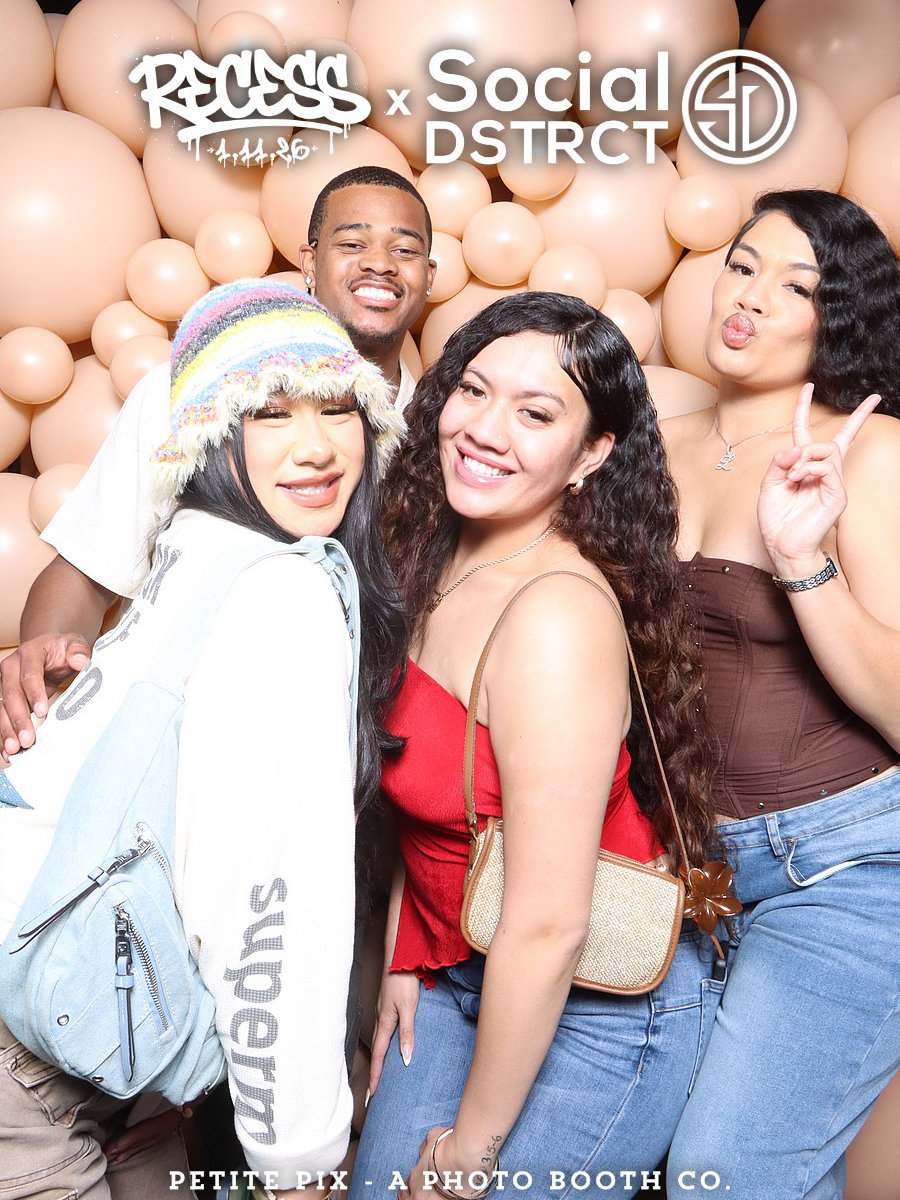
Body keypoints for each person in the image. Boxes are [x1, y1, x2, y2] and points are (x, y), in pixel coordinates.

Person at [0, 280, 408, 1199]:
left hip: (63, 1027)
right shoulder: (282, 592)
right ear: (213, 436)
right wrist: (299, 1164)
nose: (316, 446)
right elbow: (267, 906)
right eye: (270, 413)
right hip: (30, 1060)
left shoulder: (201, 546)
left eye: (337, 408)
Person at [349, 292, 725, 1199]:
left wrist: (470, 1152)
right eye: (474, 391)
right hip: (457, 961)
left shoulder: (556, 616)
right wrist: (405, 952)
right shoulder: (431, 552)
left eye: (537, 414)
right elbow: (425, 801)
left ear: (591, 455)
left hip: (598, 1004)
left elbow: (551, 923)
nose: (484, 430)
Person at [0, 165, 435, 759]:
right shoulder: (191, 391)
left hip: (365, 745)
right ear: (309, 264)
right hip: (184, 738)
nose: (379, 263)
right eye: (353, 243)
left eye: (404, 250)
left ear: (429, 275)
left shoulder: (445, 427)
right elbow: (86, 568)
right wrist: (50, 651)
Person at [660, 190, 900, 1199]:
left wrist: (802, 560)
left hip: (843, 865)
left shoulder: (868, 454)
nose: (751, 297)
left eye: (795, 286)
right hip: (681, 869)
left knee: (726, 1173)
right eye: (743, 265)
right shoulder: (653, 441)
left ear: (835, 317)